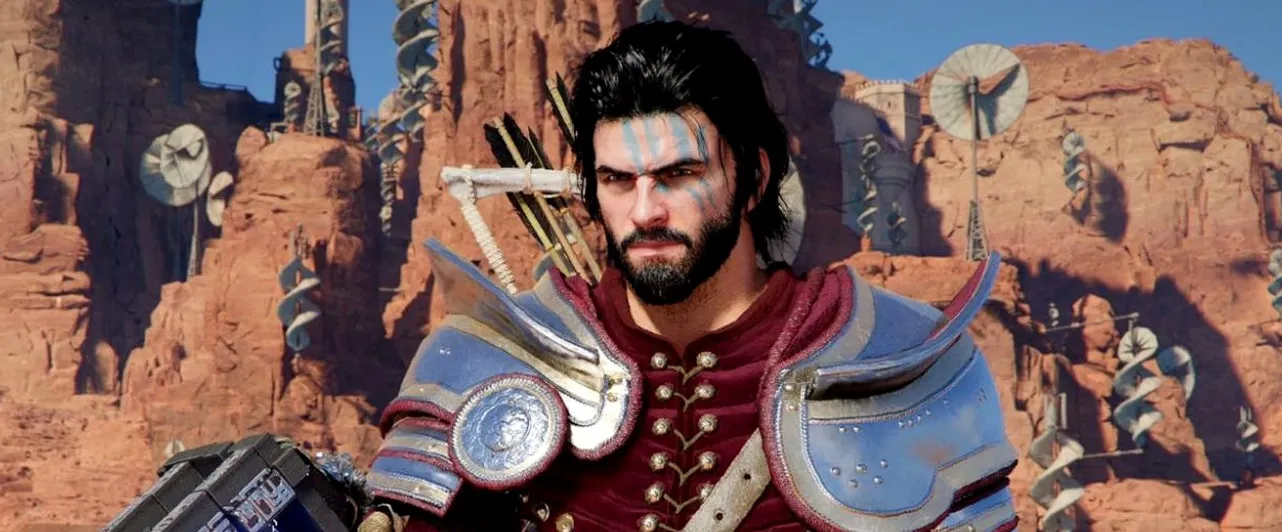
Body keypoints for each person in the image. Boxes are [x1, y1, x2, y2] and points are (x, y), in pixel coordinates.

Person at [358, 20, 1017, 532]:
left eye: (679, 175)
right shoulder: (491, 358)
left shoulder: (904, 363)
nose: (645, 212)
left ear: (753, 179)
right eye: (618, 180)